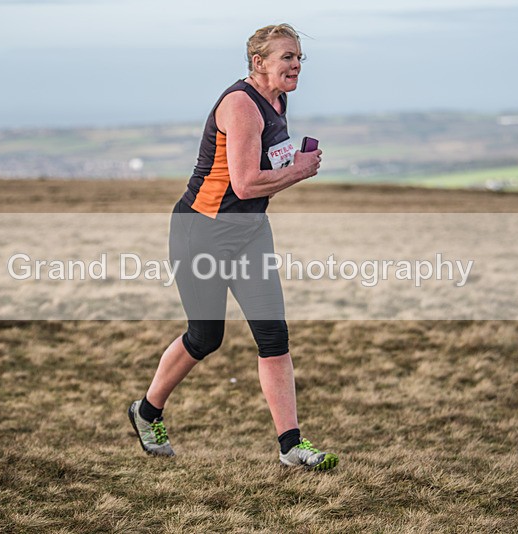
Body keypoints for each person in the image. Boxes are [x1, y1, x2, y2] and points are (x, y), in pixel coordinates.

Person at [128, 23, 338, 471]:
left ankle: (291, 446)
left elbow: (259, 181)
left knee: (274, 337)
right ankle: (146, 412)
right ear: (259, 63)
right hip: (200, 232)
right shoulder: (241, 105)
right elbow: (243, 185)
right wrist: (299, 170)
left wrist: (288, 167)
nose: (297, 64)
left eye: (300, 57)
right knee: (206, 337)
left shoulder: (279, 100)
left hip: (249, 233)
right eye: (287, 57)